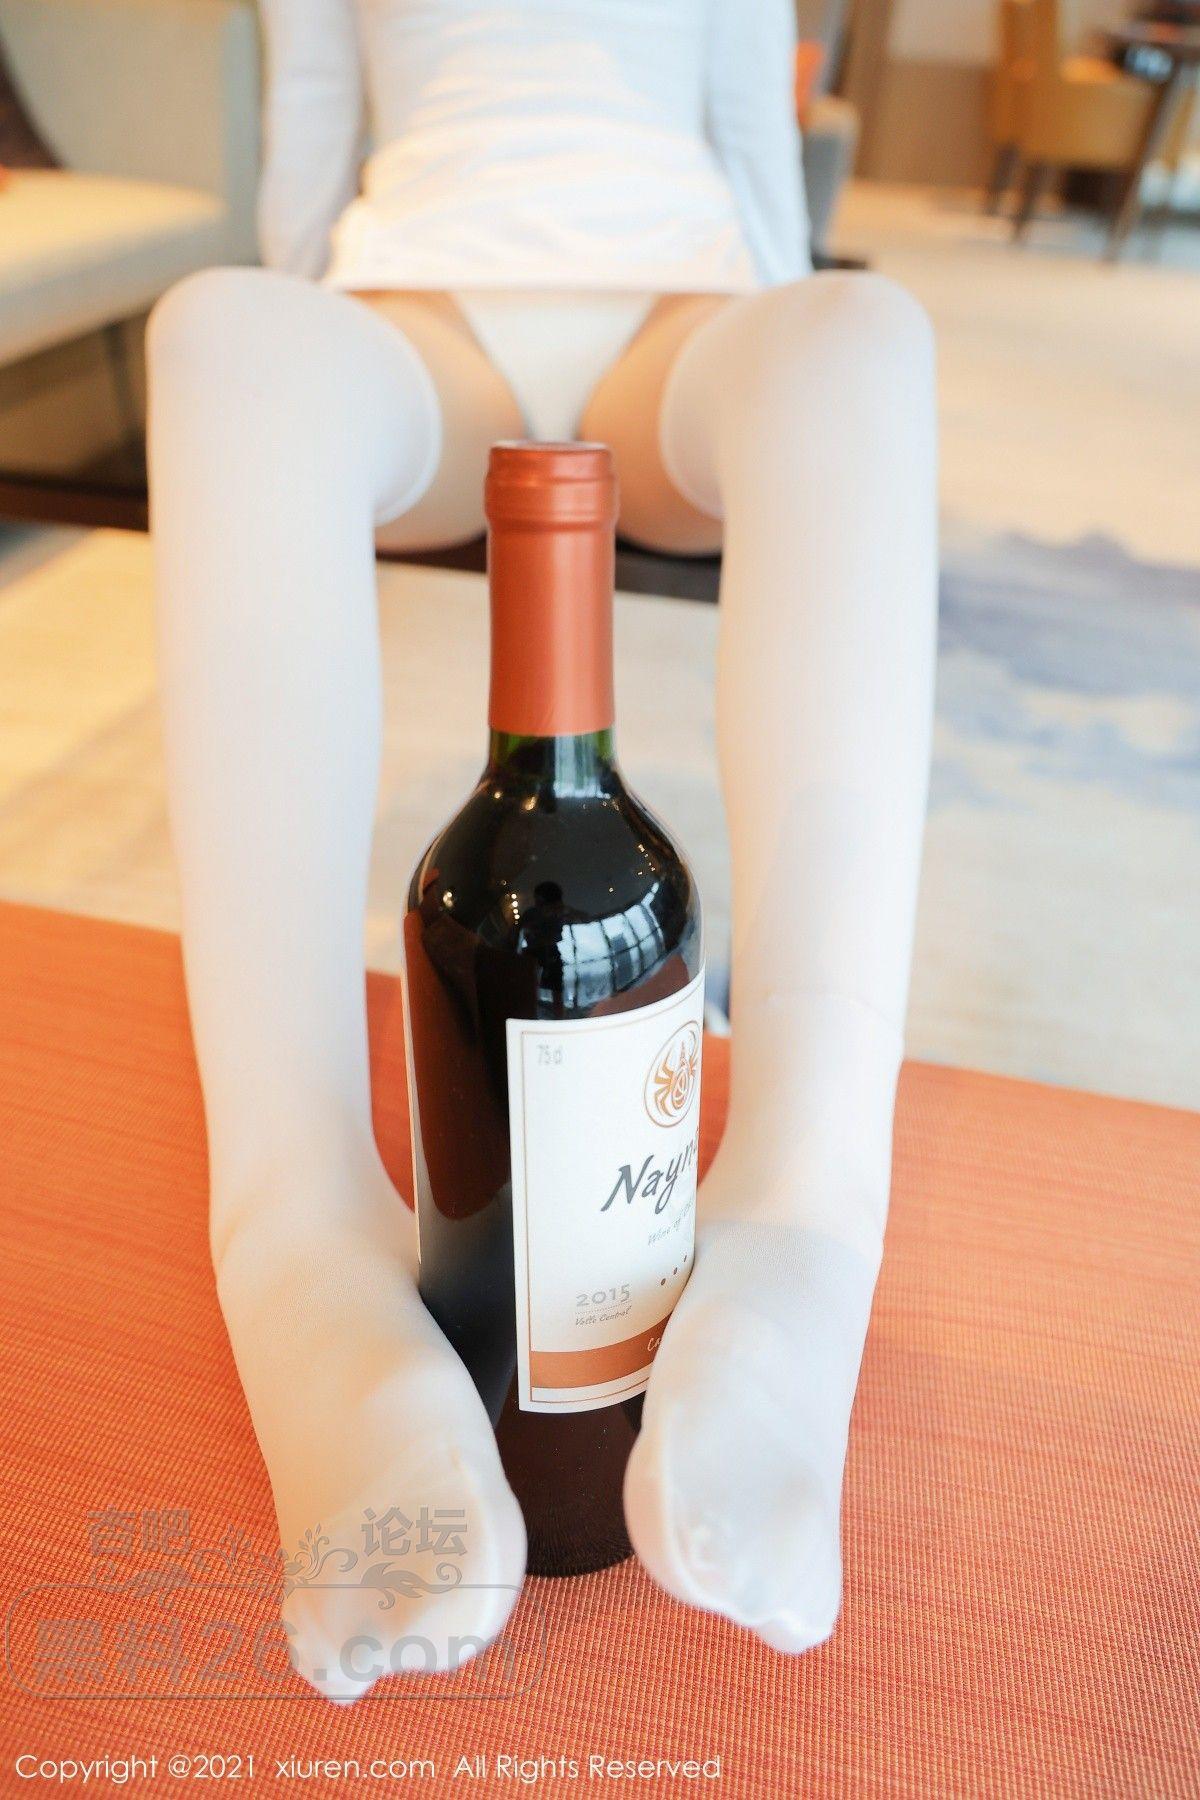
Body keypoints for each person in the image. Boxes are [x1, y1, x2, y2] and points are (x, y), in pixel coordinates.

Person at [147, 0, 936, 1701]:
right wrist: (314, 376)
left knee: (858, 339)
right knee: (226, 334)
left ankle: (807, 1218)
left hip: (677, 303)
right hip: (422, 298)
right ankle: (294, 1239)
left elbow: (750, 131)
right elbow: (310, 127)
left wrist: (770, 367)